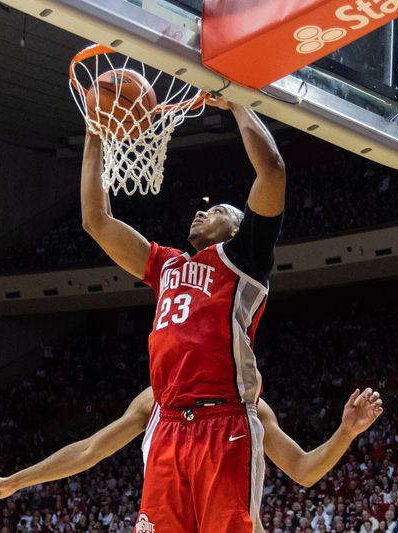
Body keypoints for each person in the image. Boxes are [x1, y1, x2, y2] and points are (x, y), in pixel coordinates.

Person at [80, 96, 286, 531]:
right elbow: (96, 220)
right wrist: (94, 132)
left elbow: (272, 171)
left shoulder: (244, 258)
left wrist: (236, 104)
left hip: (223, 419)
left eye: (215, 211)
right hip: (169, 422)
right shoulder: (166, 264)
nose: (200, 211)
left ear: (236, 227)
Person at [0, 387, 383, 513]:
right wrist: (16, 482)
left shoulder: (251, 407)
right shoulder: (156, 399)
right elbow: (88, 450)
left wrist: (346, 432)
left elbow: (304, 470)